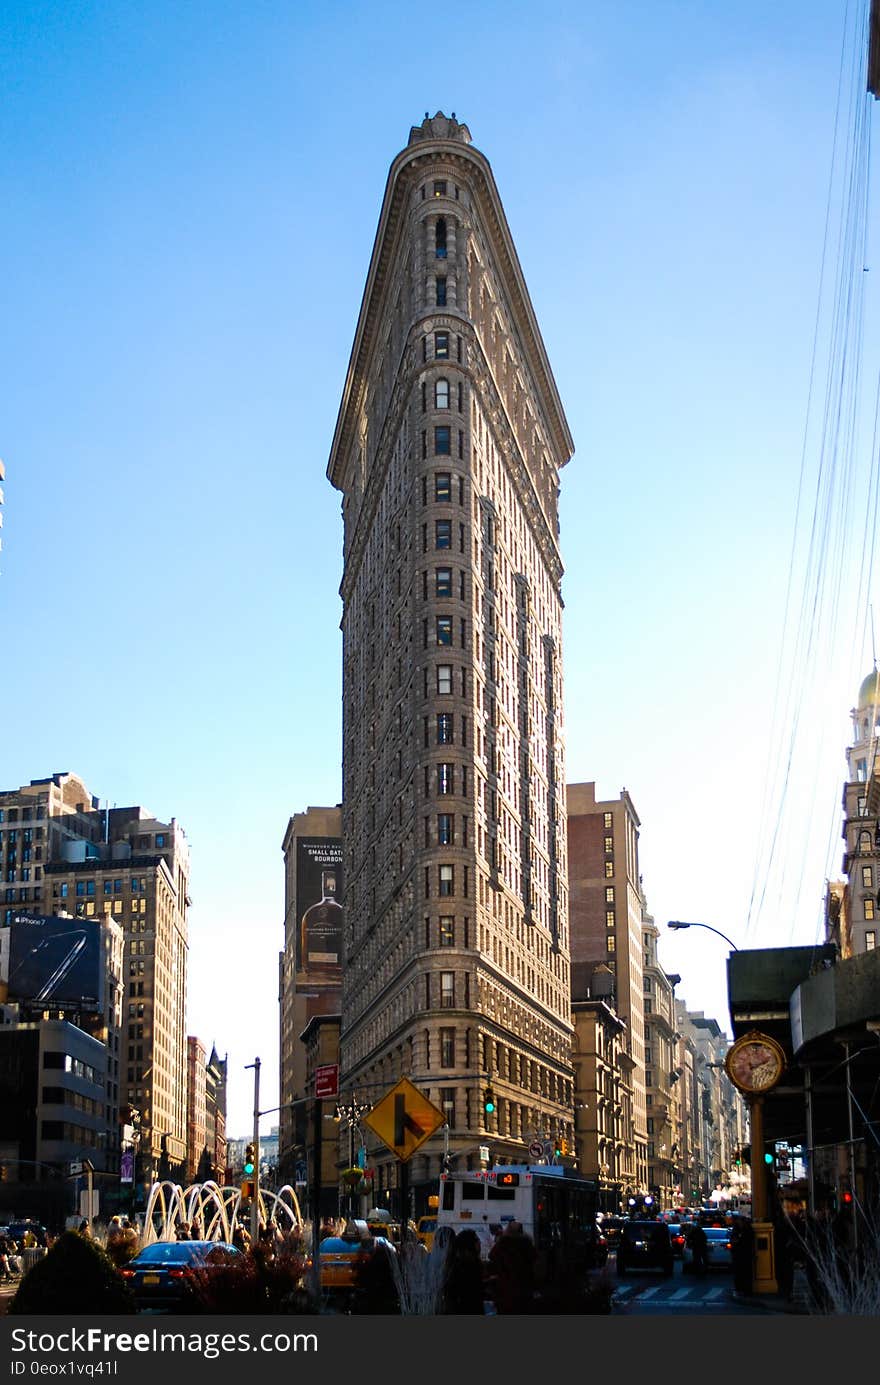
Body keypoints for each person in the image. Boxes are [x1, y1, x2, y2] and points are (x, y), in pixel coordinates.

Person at [487, 1220, 537, 1314]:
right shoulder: (526, 1243)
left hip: (506, 1292)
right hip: (524, 1290)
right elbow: (534, 1259)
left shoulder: (503, 1244)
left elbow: (491, 1256)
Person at [442, 1228, 486, 1314]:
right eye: (477, 1240)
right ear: (469, 1245)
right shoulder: (463, 1267)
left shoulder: (471, 1263)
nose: (480, 1242)